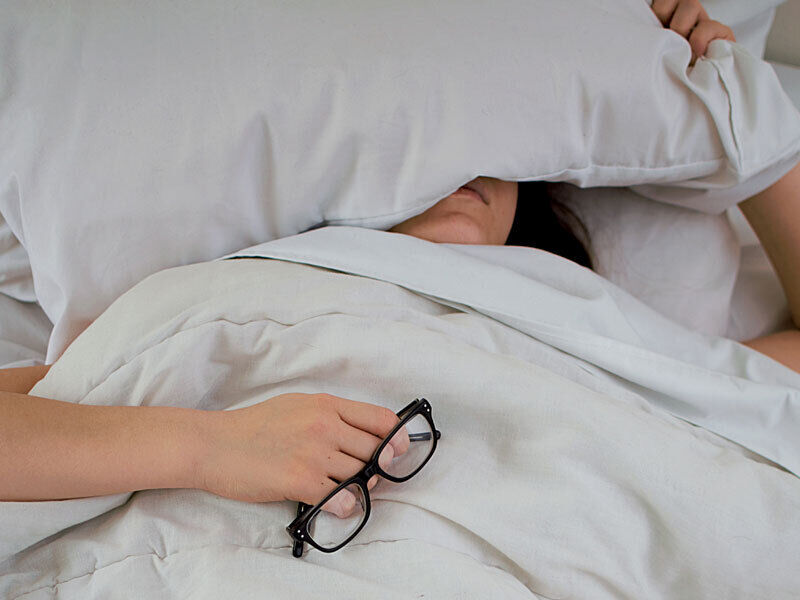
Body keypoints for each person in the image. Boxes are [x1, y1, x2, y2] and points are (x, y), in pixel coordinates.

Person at [1, 0, 791, 517]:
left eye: (496, 149)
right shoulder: (243, 301)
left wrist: (726, 104)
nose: (470, 170)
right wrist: (209, 446)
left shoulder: (583, 324)